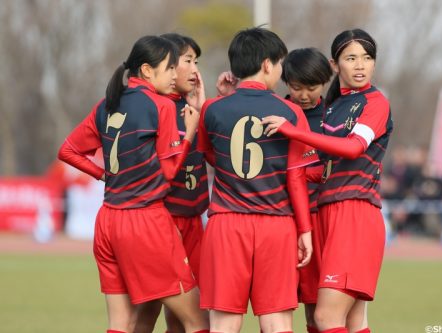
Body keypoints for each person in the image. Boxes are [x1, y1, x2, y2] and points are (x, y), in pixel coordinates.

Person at [57, 35, 208, 333]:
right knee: (198, 321)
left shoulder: (106, 104)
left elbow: (68, 150)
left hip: (107, 221)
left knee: (122, 323)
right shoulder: (160, 106)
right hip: (145, 221)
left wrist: (104, 175)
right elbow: (168, 172)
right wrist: (189, 132)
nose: (173, 75)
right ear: (148, 71)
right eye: (169, 68)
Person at [262, 29, 393, 333]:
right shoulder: (334, 107)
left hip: (354, 213)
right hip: (326, 213)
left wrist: (293, 130)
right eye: (351, 58)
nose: (360, 65)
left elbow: (352, 148)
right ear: (335, 65)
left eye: (367, 57)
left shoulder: (376, 103)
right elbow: (319, 167)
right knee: (351, 320)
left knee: (325, 318)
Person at [197, 27, 318, 333]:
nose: (280, 71)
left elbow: (211, 157)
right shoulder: (289, 111)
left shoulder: (212, 108)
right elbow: (296, 178)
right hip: (276, 224)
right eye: (280, 65)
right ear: (267, 64)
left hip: (226, 223)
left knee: (224, 325)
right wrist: (305, 230)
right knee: (277, 323)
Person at [133, 33, 209, 333]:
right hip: (160, 220)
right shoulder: (151, 108)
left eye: (196, 62)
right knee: (145, 314)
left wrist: (204, 111)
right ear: (164, 65)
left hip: (193, 221)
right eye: (187, 61)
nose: (194, 70)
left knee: (183, 318)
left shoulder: (192, 110)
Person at [281, 47, 333, 333]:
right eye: (296, 87)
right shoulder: (277, 113)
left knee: (316, 310)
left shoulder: (333, 116)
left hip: (317, 219)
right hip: (281, 220)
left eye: (311, 87)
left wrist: (307, 174)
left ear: (325, 81)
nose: (303, 95)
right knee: (276, 309)